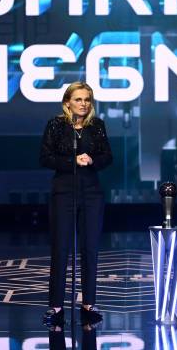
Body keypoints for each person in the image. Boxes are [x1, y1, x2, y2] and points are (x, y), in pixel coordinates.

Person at [39, 82, 113, 326]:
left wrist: (91, 159)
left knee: (90, 248)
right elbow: (45, 157)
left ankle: (89, 303)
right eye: (79, 99)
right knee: (61, 248)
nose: (84, 104)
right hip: (64, 191)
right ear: (67, 102)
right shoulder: (57, 125)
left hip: (92, 192)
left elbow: (107, 157)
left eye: (87, 99)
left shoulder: (97, 126)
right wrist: (72, 159)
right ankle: (56, 306)